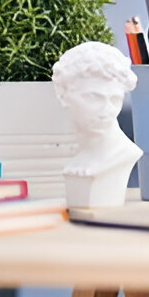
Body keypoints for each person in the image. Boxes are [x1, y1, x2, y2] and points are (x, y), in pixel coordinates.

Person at [53, 41, 142, 207]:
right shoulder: (79, 159)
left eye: (115, 99)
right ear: (63, 94)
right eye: (93, 98)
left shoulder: (122, 154)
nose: (106, 110)